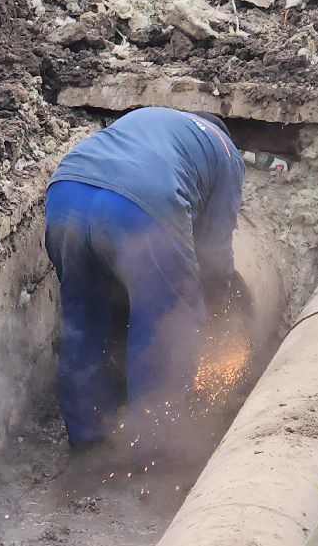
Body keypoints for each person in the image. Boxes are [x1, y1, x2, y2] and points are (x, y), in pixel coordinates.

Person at [43, 107, 246, 457]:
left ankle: (87, 439)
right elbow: (214, 247)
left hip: (66, 194)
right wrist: (212, 305)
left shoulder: (150, 119)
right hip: (138, 206)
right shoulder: (227, 153)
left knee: (83, 316)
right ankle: (152, 449)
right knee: (167, 323)